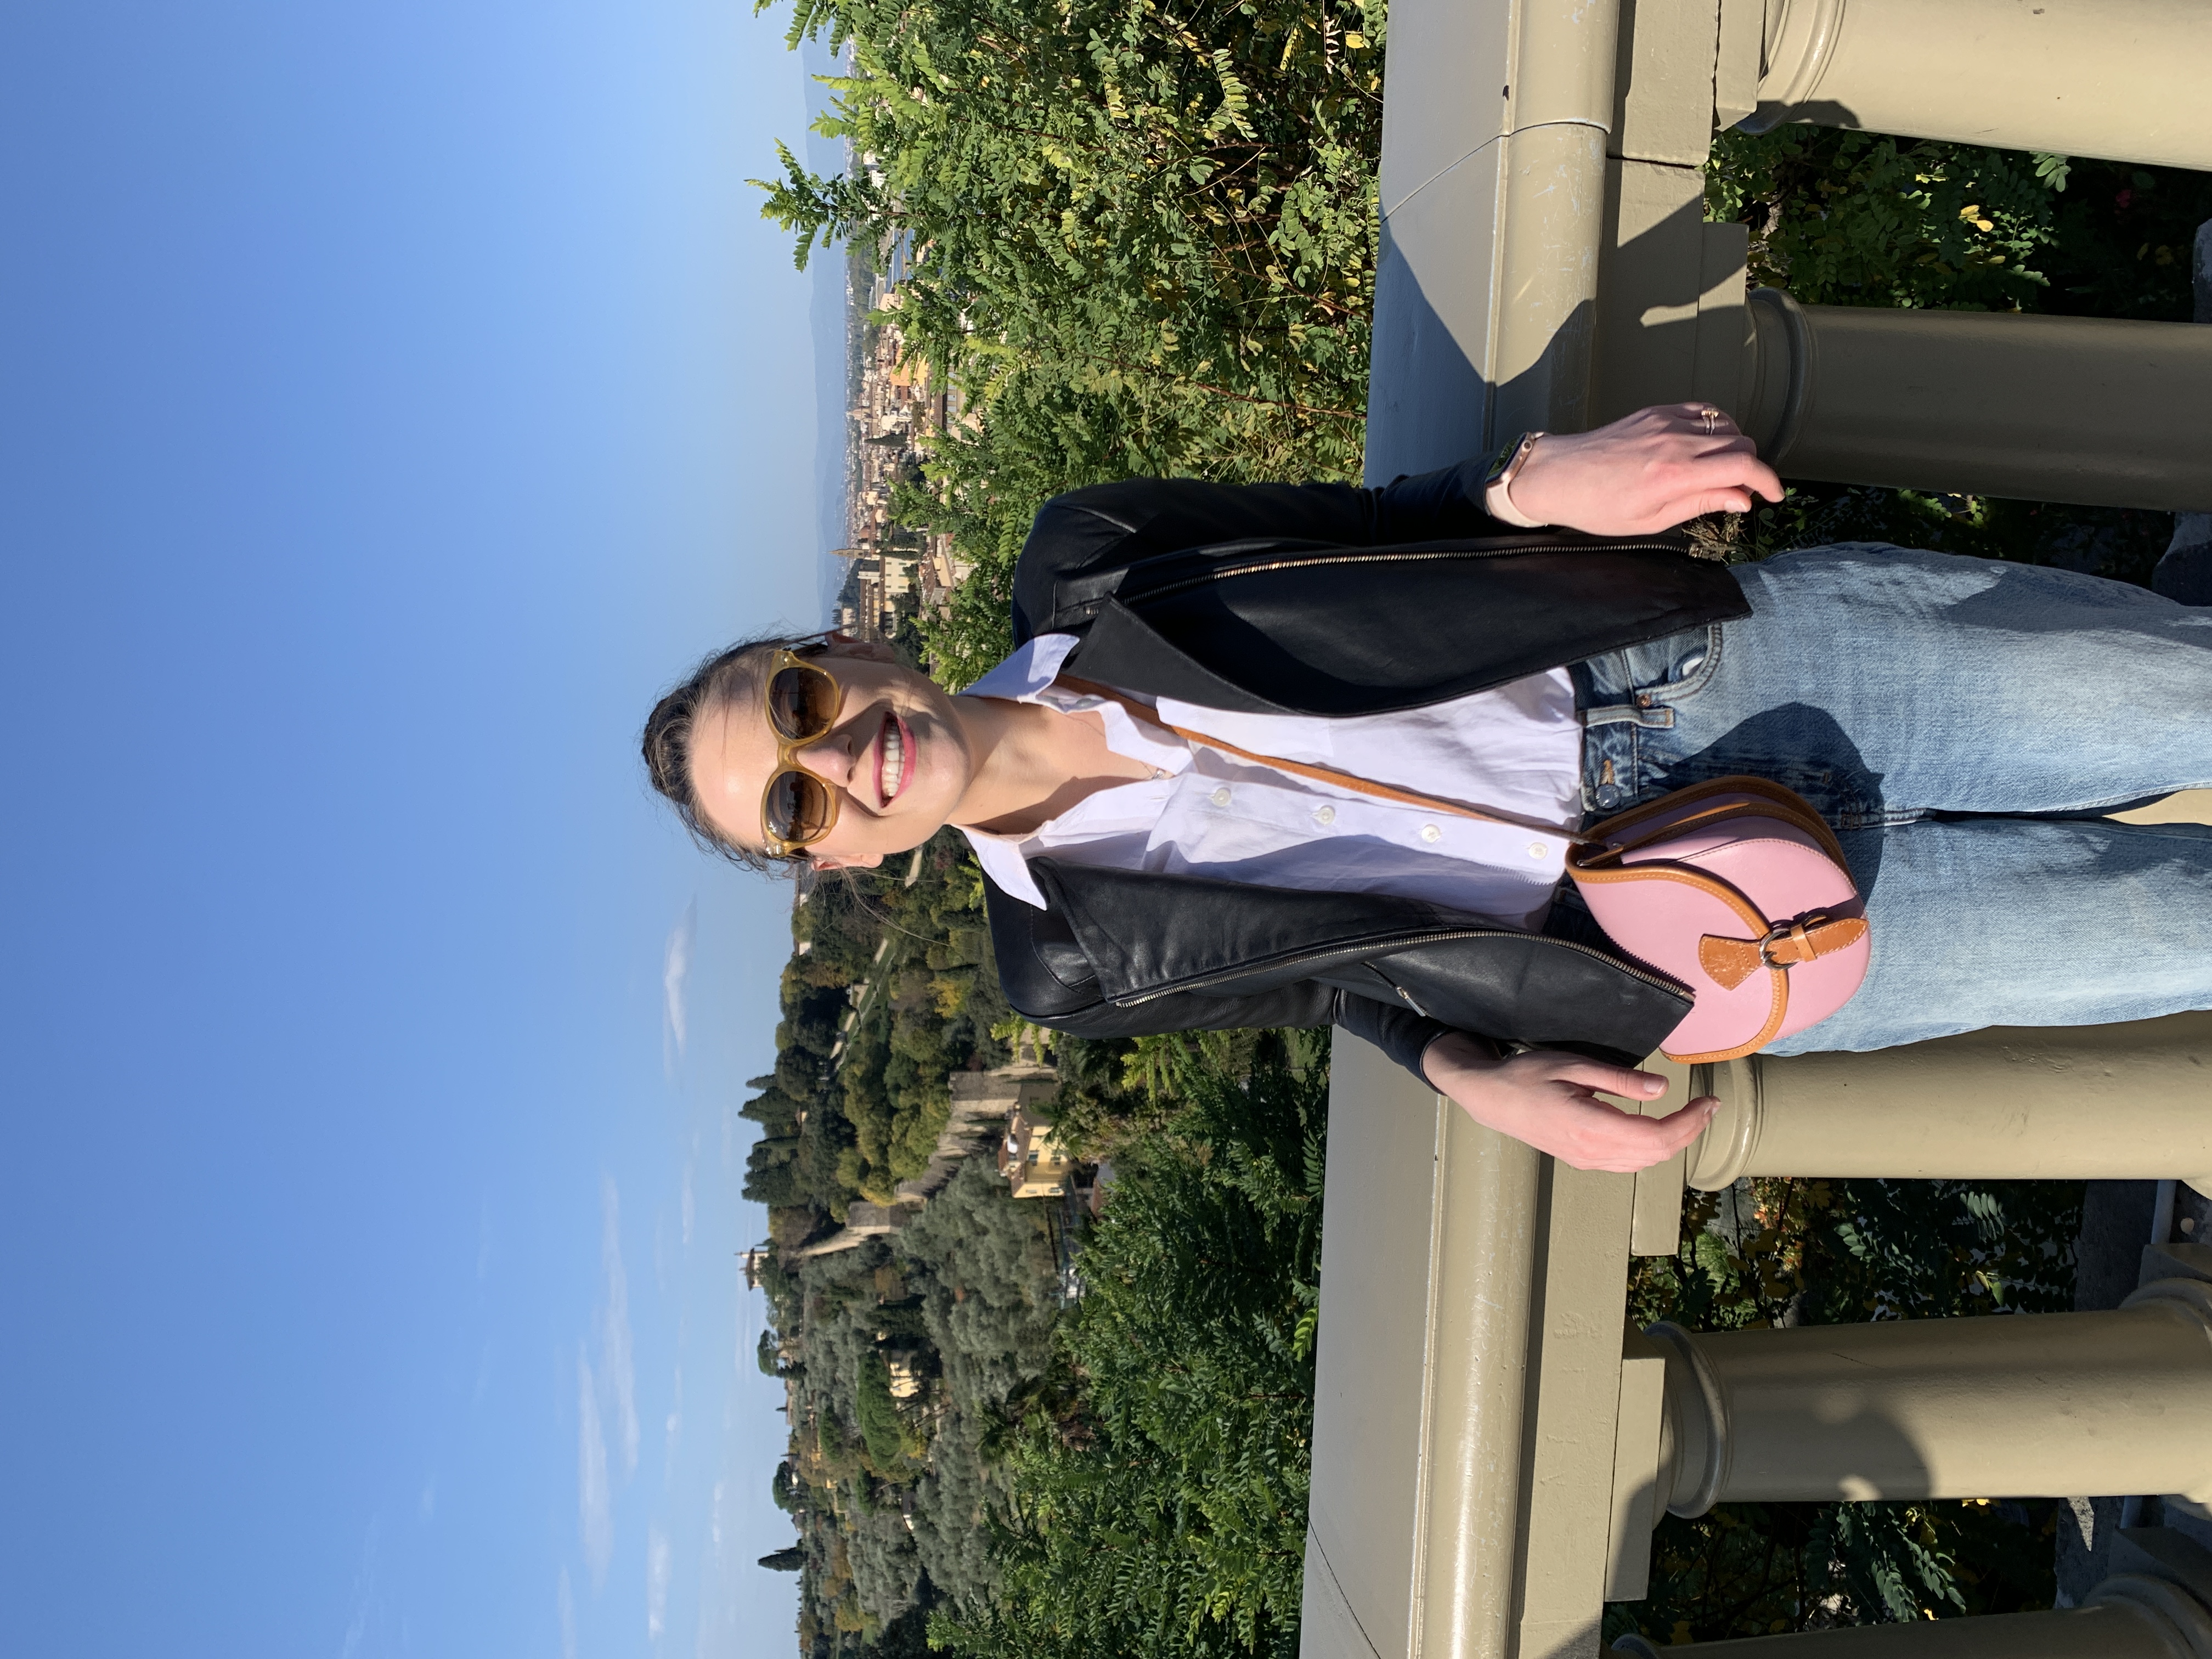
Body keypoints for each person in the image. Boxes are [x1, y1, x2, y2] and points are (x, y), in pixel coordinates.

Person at [642, 404, 2212, 1172]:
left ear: (846, 644)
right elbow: (1333, 992)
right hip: (1682, 941)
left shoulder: (1090, 557)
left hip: (1702, 678)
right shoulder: (1068, 958)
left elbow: (1381, 514)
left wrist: (1540, 483)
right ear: (832, 866)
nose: (840, 761)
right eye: (795, 807)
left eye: (800, 704)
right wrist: (1464, 1071)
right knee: (2175, 942)